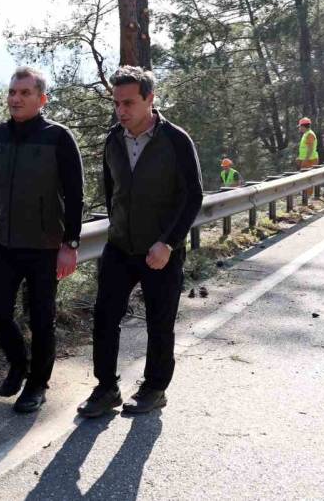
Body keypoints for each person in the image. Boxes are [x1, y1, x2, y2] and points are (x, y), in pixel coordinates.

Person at [77, 66, 203, 418]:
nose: (121, 110)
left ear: (150, 99)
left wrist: (168, 243)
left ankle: (154, 388)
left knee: (159, 322)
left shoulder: (175, 139)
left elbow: (193, 196)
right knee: (105, 317)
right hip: (119, 246)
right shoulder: (113, 140)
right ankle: (106, 388)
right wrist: (118, 228)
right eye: (117, 103)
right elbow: (112, 192)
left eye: (129, 102)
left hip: (160, 249)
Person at [0, 66, 85, 414]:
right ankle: (19, 364)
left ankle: (37, 385)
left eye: (24, 93)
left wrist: (70, 244)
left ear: (42, 99)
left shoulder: (58, 137)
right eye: (12, 92)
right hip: (5, 244)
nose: (15, 99)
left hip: (44, 246)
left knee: (41, 319)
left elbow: (76, 194)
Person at [297, 117, 319, 197]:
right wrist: (300, 157)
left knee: (308, 178)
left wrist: (305, 160)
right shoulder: (306, 134)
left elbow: (310, 149)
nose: (299, 128)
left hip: (310, 160)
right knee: (305, 178)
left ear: (303, 126)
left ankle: (308, 196)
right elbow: (305, 148)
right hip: (307, 159)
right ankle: (306, 195)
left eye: (300, 126)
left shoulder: (309, 134)